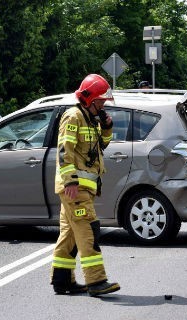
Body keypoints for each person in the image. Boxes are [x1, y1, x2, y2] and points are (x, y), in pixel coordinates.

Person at [51, 74, 120, 297]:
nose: (102, 105)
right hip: (75, 188)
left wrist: (107, 128)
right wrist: (70, 181)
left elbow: (100, 147)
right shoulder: (73, 117)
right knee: (89, 230)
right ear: (89, 99)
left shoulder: (90, 119)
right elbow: (64, 151)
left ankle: (62, 281)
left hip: (83, 188)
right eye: (100, 101)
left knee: (69, 234)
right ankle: (97, 281)